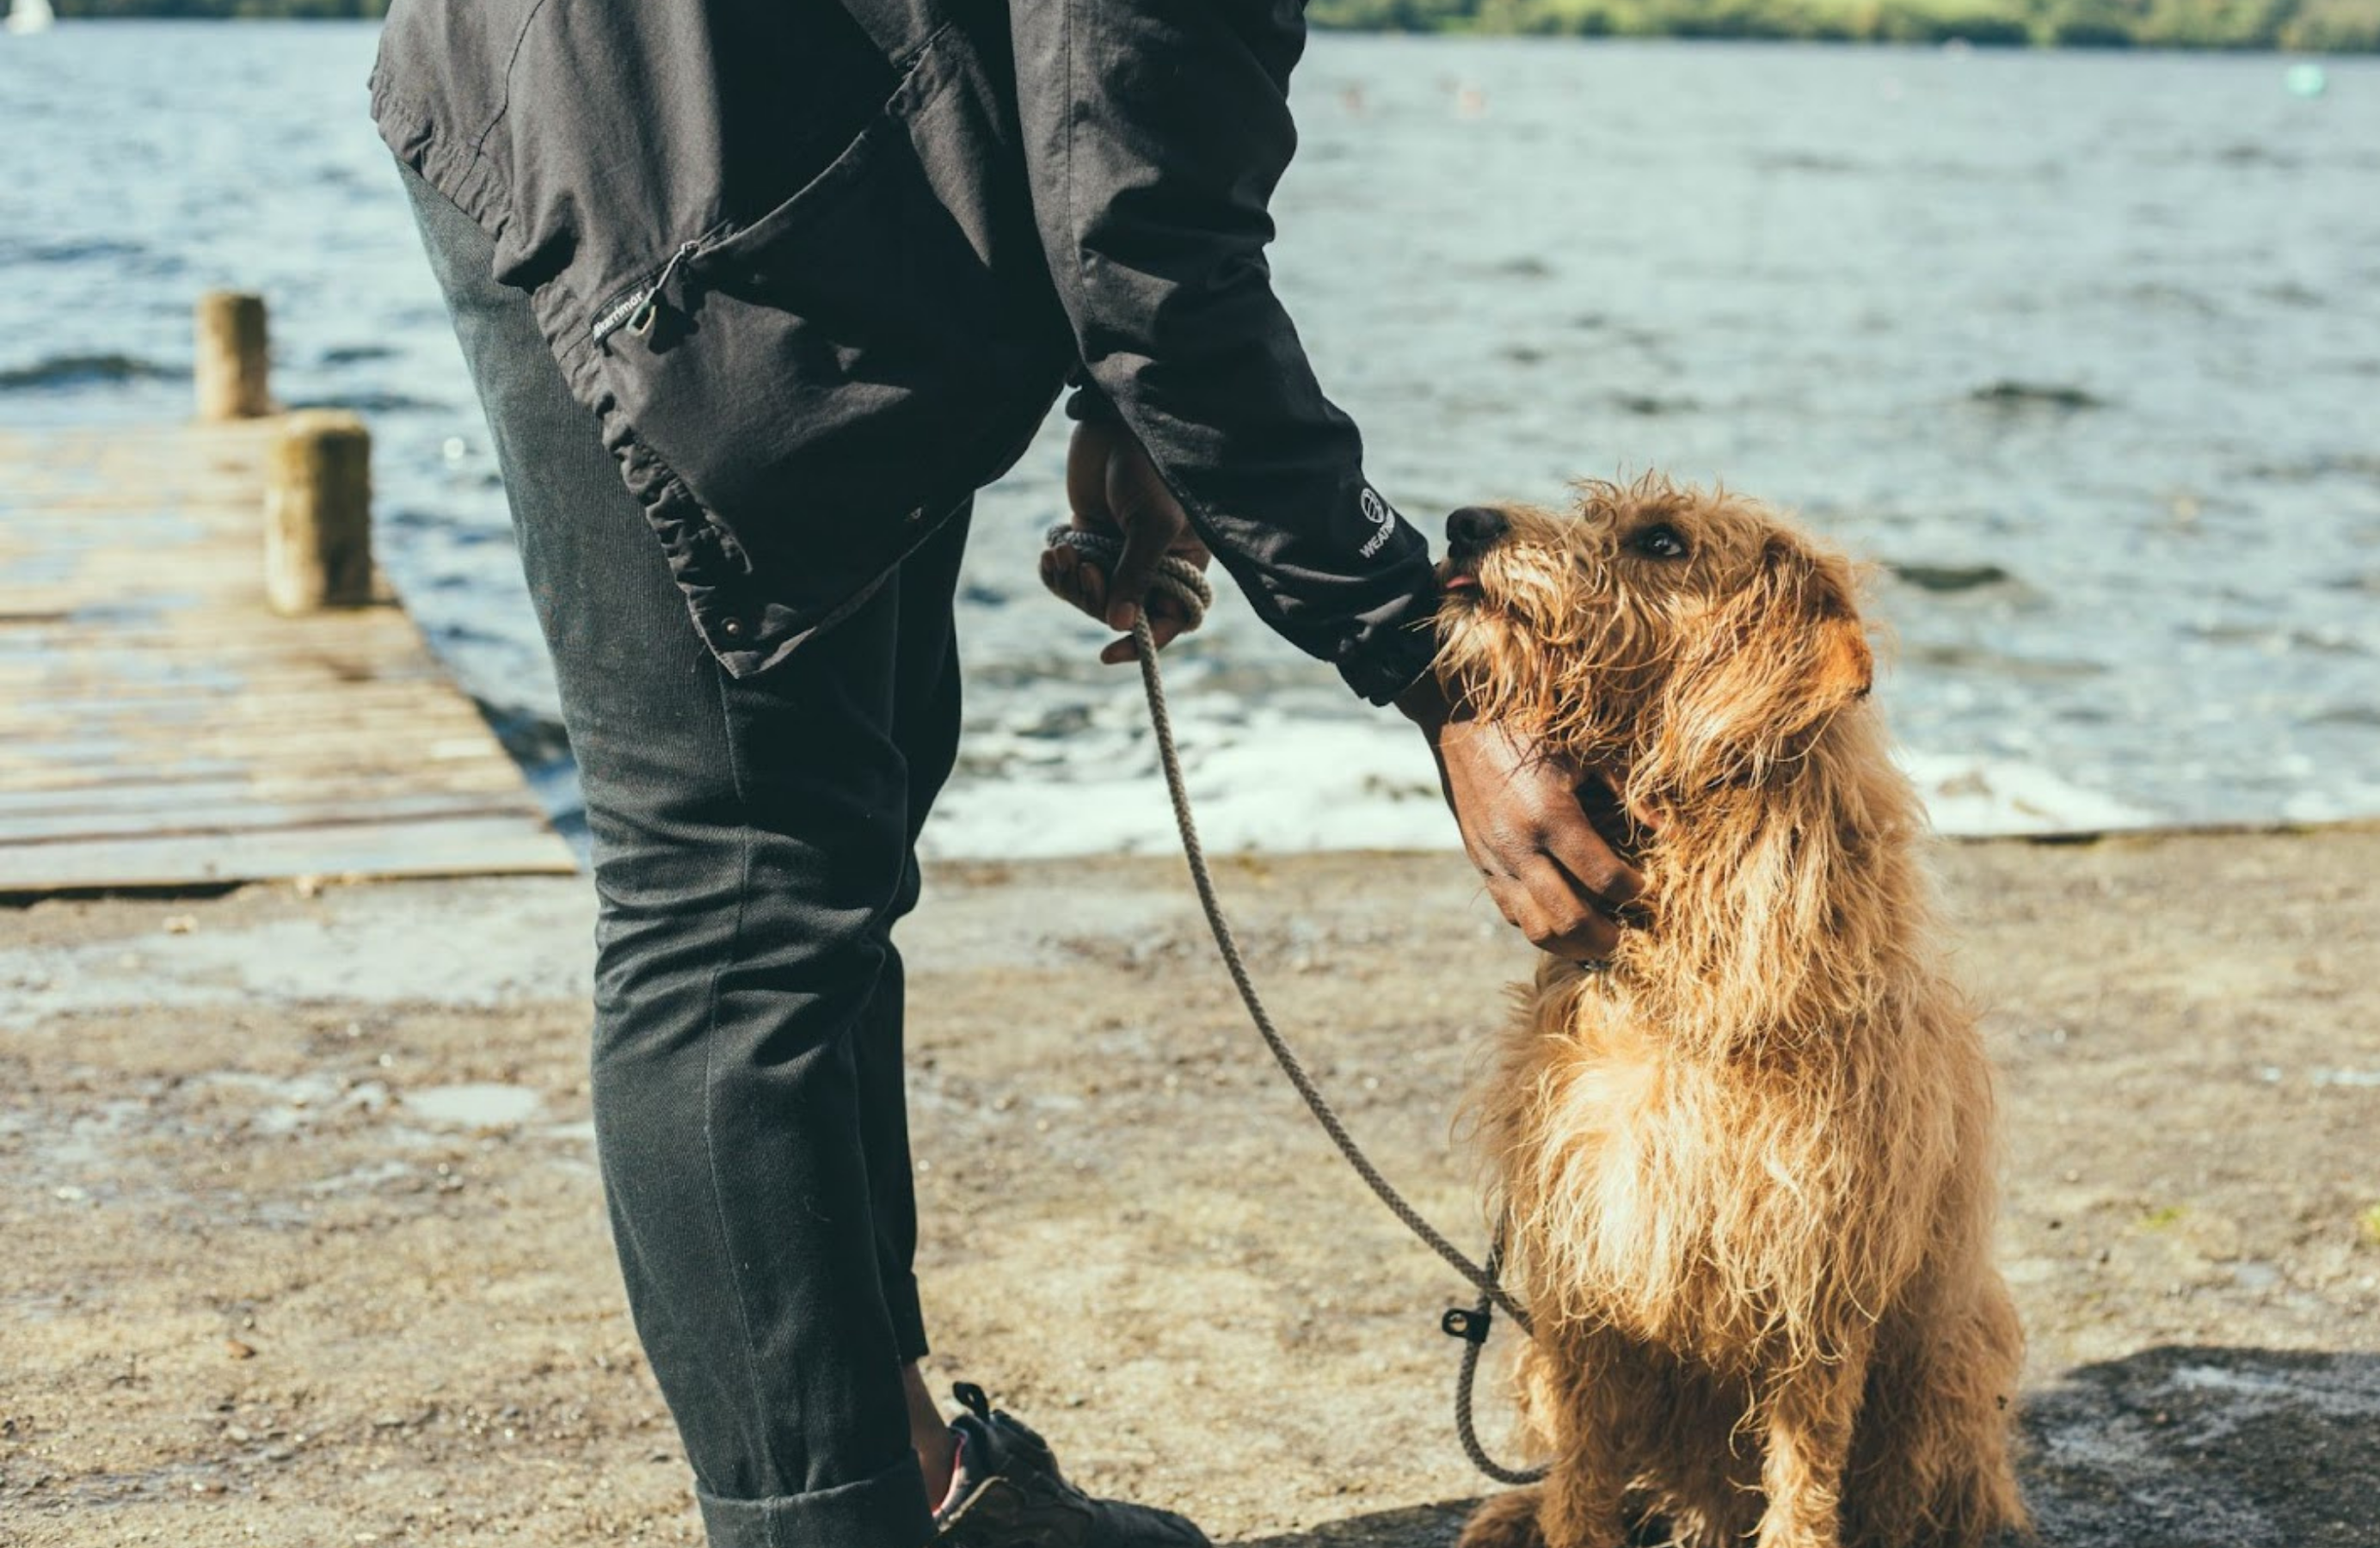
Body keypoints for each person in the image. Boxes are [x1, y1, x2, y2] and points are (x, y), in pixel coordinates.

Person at [372, 4, 1643, 1547]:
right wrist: (1431, 668)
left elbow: (1117, 133)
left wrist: (1122, 402)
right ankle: (826, 1526)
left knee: (843, 833)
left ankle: (916, 1475)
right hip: (654, 153)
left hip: (795, 146)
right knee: (740, 893)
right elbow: (1141, 223)